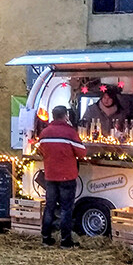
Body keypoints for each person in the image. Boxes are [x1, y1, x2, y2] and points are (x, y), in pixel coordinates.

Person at [37, 105, 87, 248]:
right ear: (66, 116)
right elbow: (82, 152)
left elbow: (40, 150)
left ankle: (46, 238)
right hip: (67, 176)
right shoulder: (70, 133)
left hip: (50, 176)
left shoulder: (45, 133)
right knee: (66, 209)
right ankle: (66, 241)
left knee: (49, 207)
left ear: (53, 116)